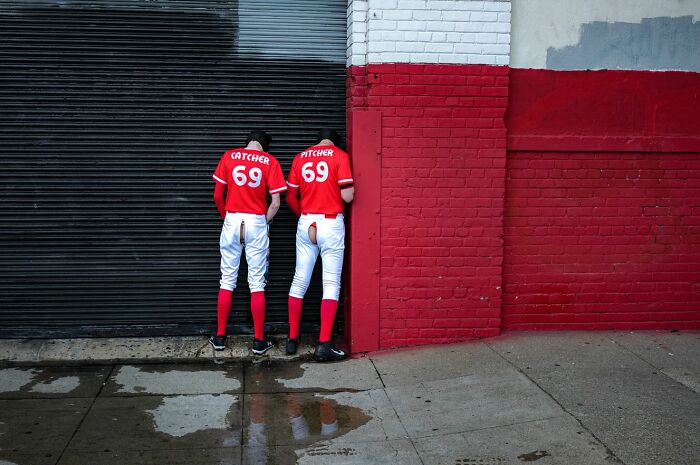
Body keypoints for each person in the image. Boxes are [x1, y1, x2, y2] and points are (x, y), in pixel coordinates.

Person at [208, 130, 287, 355]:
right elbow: (276, 203)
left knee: (227, 280)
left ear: (248, 143)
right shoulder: (270, 161)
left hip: (232, 219)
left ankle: (220, 337)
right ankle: (259, 342)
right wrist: (263, 222)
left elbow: (217, 195)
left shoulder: (229, 156)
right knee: (256, 283)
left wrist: (228, 219)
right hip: (256, 221)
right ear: (264, 146)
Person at [285, 129, 354, 361]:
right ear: (334, 142)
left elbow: (290, 197)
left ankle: (292, 339)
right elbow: (348, 196)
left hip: (306, 221)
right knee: (331, 283)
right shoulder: (339, 155)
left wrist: (303, 216)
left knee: (299, 280)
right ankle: (323, 344)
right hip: (330, 222)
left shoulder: (300, 157)